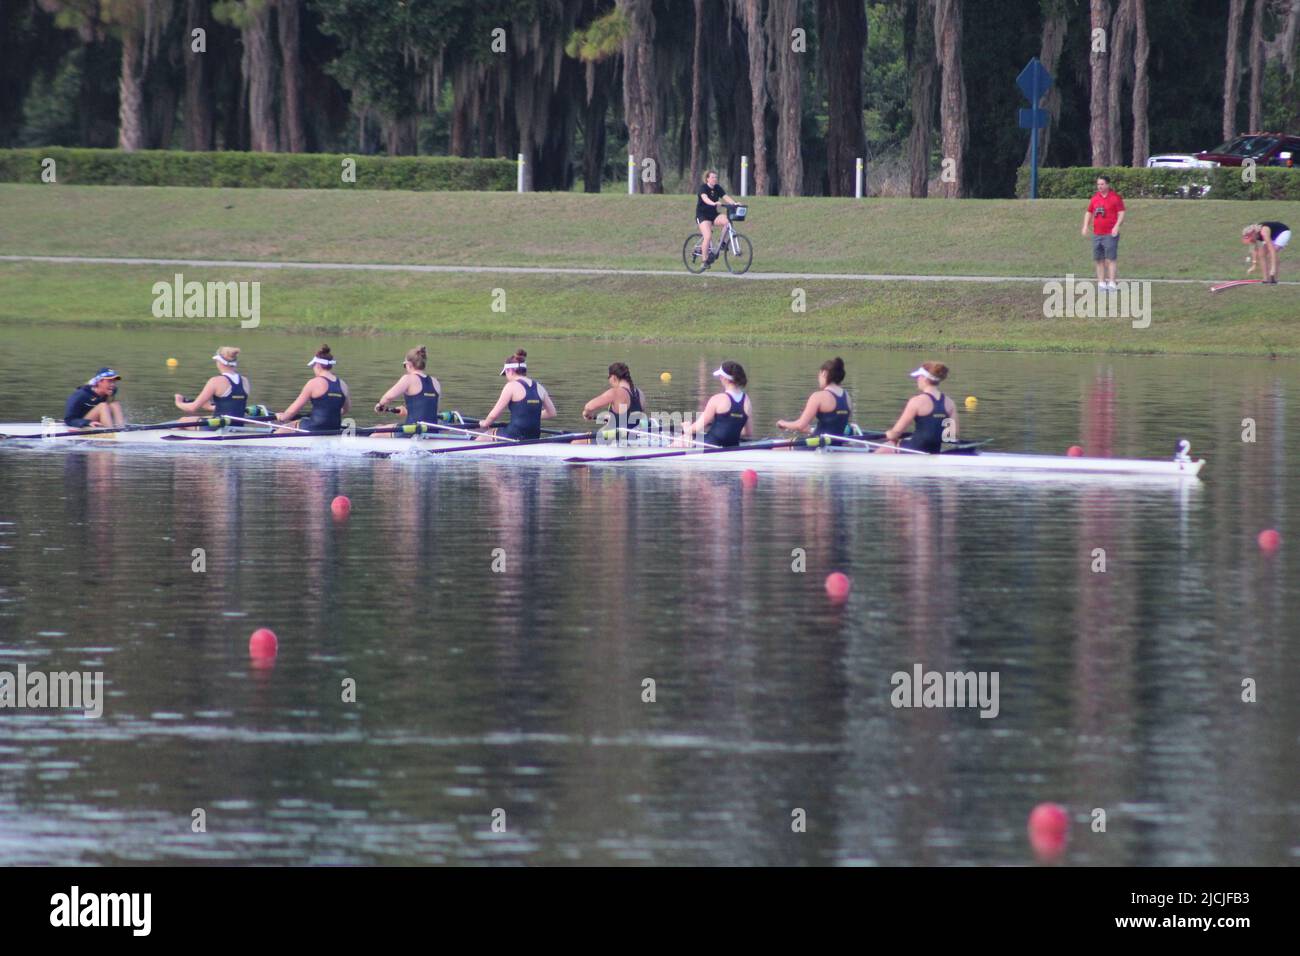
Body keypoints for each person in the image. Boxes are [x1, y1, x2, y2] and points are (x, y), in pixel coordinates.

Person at [877, 362, 957, 454]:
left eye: (918, 376)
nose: (917, 379)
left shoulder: (916, 401)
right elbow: (951, 435)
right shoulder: (950, 403)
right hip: (935, 450)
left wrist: (889, 434)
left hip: (915, 448)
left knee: (888, 445)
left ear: (924, 378)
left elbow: (896, 433)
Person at [478, 349, 557, 441]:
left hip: (513, 434)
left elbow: (493, 415)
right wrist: (526, 416)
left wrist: (485, 423)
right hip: (534, 436)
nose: (506, 377)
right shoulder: (540, 387)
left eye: (505, 373)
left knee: (485, 435)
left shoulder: (511, 386)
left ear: (510, 371)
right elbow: (552, 413)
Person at [276, 344, 350, 432]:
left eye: (313, 366)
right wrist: (329, 414)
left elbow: (291, 412)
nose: (313, 369)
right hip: (334, 428)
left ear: (318, 365)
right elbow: (346, 409)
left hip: (314, 427)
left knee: (286, 427)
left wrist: (282, 417)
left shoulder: (313, 383)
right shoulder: (343, 384)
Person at [776, 357, 853, 438]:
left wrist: (783, 423)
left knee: (775, 447)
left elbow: (800, 425)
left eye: (818, 376)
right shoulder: (847, 397)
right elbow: (835, 426)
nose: (818, 380)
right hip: (837, 446)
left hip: (817, 446)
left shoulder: (818, 396)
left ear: (824, 373)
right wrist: (809, 430)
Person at [681, 361, 753, 447]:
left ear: (725, 379)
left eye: (720, 376)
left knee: (682, 439)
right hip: (733, 445)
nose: (720, 378)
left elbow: (698, 427)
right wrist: (731, 429)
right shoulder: (747, 401)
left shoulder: (717, 399)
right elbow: (748, 432)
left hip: (710, 445)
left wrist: (687, 428)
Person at [374, 345, 441, 434]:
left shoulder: (408, 379)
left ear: (408, 365)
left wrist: (380, 405)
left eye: (404, 365)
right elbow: (431, 411)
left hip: (413, 432)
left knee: (376, 432)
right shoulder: (435, 382)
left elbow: (388, 397)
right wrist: (407, 412)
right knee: (380, 427)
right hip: (433, 432)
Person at [174, 347, 250, 421]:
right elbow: (233, 406)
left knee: (183, 420)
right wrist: (209, 407)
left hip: (219, 427)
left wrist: (179, 402)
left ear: (220, 362)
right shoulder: (245, 380)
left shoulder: (215, 381)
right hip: (238, 424)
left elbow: (192, 408)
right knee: (206, 417)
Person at [1082, 175, 1125, 291]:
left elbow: (1121, 213)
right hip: (1097, 233)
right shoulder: (1095, 198)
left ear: (1107, 184)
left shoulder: (1115, 198)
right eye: (1098, 184)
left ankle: (1112, 282)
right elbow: (1089, 212)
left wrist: (1117, 226)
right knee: (1099, 259)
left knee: (1111, 258)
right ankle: (1101, 282)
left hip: (1110, 233)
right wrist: (1085, 226)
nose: (1100, 186)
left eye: (1102, 184)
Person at [581, 362, 646, 434]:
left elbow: (588, 407)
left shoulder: (615, 392)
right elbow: (625, 419)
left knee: (575, 442)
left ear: (614, 377)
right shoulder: (640, 394)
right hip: (633, 438)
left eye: (609, 377)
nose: (609, 381)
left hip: (615, 439)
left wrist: (587, 414)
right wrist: (594, 417)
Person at [695, 170, 737, 268]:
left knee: (728, 221)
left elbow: (725, 197)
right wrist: (713, 203)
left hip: (713, 215)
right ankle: (704, 261)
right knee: (708, 236)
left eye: (716, 177)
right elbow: (705, 198)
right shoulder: (703, 188)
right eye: (713, 177)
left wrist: (734, 204)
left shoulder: (717, 188)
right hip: (703, 215)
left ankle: (722, 243)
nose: (715, 179)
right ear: (707, 179)